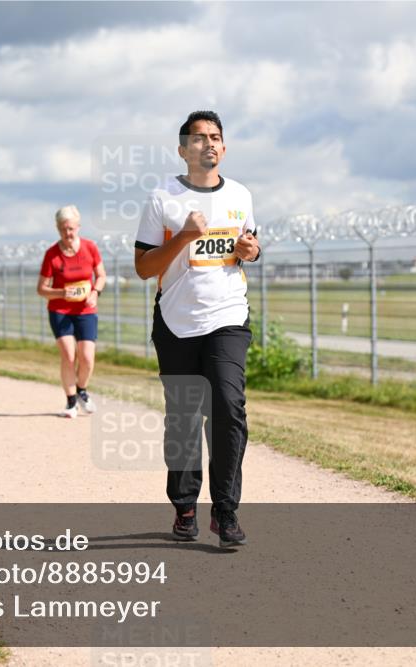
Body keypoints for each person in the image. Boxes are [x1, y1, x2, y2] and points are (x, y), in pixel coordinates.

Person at [133, 111, 261, 548]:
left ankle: (225, 511)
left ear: (224, 149)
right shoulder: (162, 198)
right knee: (185, 417)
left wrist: (251, 250)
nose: (209, 143)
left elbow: (249, 246)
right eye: (200, 138)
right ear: (183, 149)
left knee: (228, 407)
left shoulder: (241, 195)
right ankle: (185, 504)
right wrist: (184, 237)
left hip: (228, 316)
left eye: (216, 137)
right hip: (176, 321)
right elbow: (144, 268)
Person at [37, 205, 107, 418]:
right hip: (60, 309)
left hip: (85, 309)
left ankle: (82, 391)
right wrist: (62, 292)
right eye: (63, 229)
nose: (67, 233)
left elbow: (101, 275)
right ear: (58, 229)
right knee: (68, 354)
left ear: (78, 226)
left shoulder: (90, 248)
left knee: (86, 357)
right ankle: (70, 403)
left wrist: (95, 292)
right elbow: (41, 289)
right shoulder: (52, 255)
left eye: (71, 228)